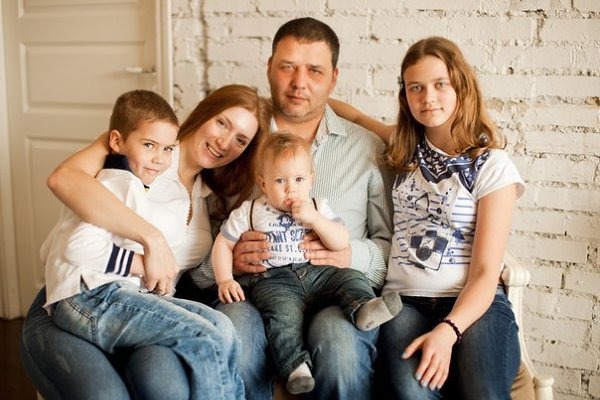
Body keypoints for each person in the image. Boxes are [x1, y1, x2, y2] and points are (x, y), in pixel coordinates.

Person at [20, 84, 271, 399]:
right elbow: (70, 222)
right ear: (204, 113)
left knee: (217, 332)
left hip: (143, 302)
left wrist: (229, 262)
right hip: (89, 292)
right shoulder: (141, 161)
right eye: (222, 123)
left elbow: (183, 269)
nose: (225, 142)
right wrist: (150, 243)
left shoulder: (205, 191)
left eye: (240, 140)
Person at [189, 17, 393, 400]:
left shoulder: (366, 149)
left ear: (333, 78)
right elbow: (194, 250)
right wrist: (227, 265)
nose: (300, 83)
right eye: (288, 67)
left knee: (342, 348)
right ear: (269, 68)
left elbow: (389, 247)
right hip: (255, 292)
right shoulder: (237, 141)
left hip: (334, 290)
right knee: (236, 338)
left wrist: (350, 254)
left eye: (314, 70)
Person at [333, 36, 524, 399]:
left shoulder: (492, 165)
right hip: (404, 303)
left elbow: (486, 272)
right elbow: (355, 117)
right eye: (415, 88)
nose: (427, 97)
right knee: (411, 392)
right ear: (404, 96)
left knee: (483, 391)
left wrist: (448, 331)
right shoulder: (404, 147)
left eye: (440, 84)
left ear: (461, 87)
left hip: (473, 303)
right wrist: (306, 100)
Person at [212, 132, 401, 395]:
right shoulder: (250, 210)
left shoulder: (317, 206)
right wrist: (225, 278)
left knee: (351, 278)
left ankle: (363, 308)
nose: (291, 189)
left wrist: (314, 219)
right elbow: (223, 243)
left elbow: (341, 241)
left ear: (311, 180)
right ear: (263, 183)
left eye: (299, 180)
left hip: (319, 273)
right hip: (274, 281)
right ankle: (296, 367)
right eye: (280, 181)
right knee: (282, 318)